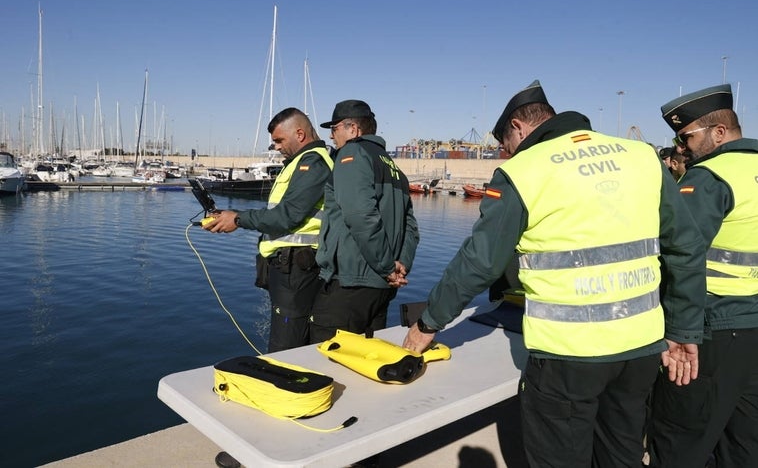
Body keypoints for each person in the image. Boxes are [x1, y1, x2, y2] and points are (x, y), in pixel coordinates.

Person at [402, 80, 706, 467]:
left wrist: (428, 323)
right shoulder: (641, 157)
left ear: (518, 127)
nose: (505, 154)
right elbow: (686, 247)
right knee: (622, 455)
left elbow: (479, 261)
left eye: (504, 145)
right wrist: (682, 330)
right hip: (641, 349)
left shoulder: (525, 171)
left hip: (568, 356)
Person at [647, 84, 758, 468]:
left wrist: (680, 333)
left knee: (679, 440)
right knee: (745, 444)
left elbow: (679, 255)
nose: (680, 147)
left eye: (685, 136)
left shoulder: (711, 177)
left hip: (711, 331)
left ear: (719, 132)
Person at [204, 107, 333, 353]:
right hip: (289, 267)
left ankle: (286, 387)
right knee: (287, 341)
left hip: (298, 268)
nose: (276, 147)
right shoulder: (298, 163)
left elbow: (287, 216)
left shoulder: (313, 163)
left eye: (279, 140)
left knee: (286, 347)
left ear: (300, 134)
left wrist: (238, 219)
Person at [310, 99, 419, 343]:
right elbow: (410, 226)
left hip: (350, 283)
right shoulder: (394, 168)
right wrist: (401, 263)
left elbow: (361, 215)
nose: (331, 135)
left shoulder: (351, 153)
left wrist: (387, 267)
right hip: (381, 288)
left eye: (335, 128)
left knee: (328, 357)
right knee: (366, 357)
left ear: (353, 129)